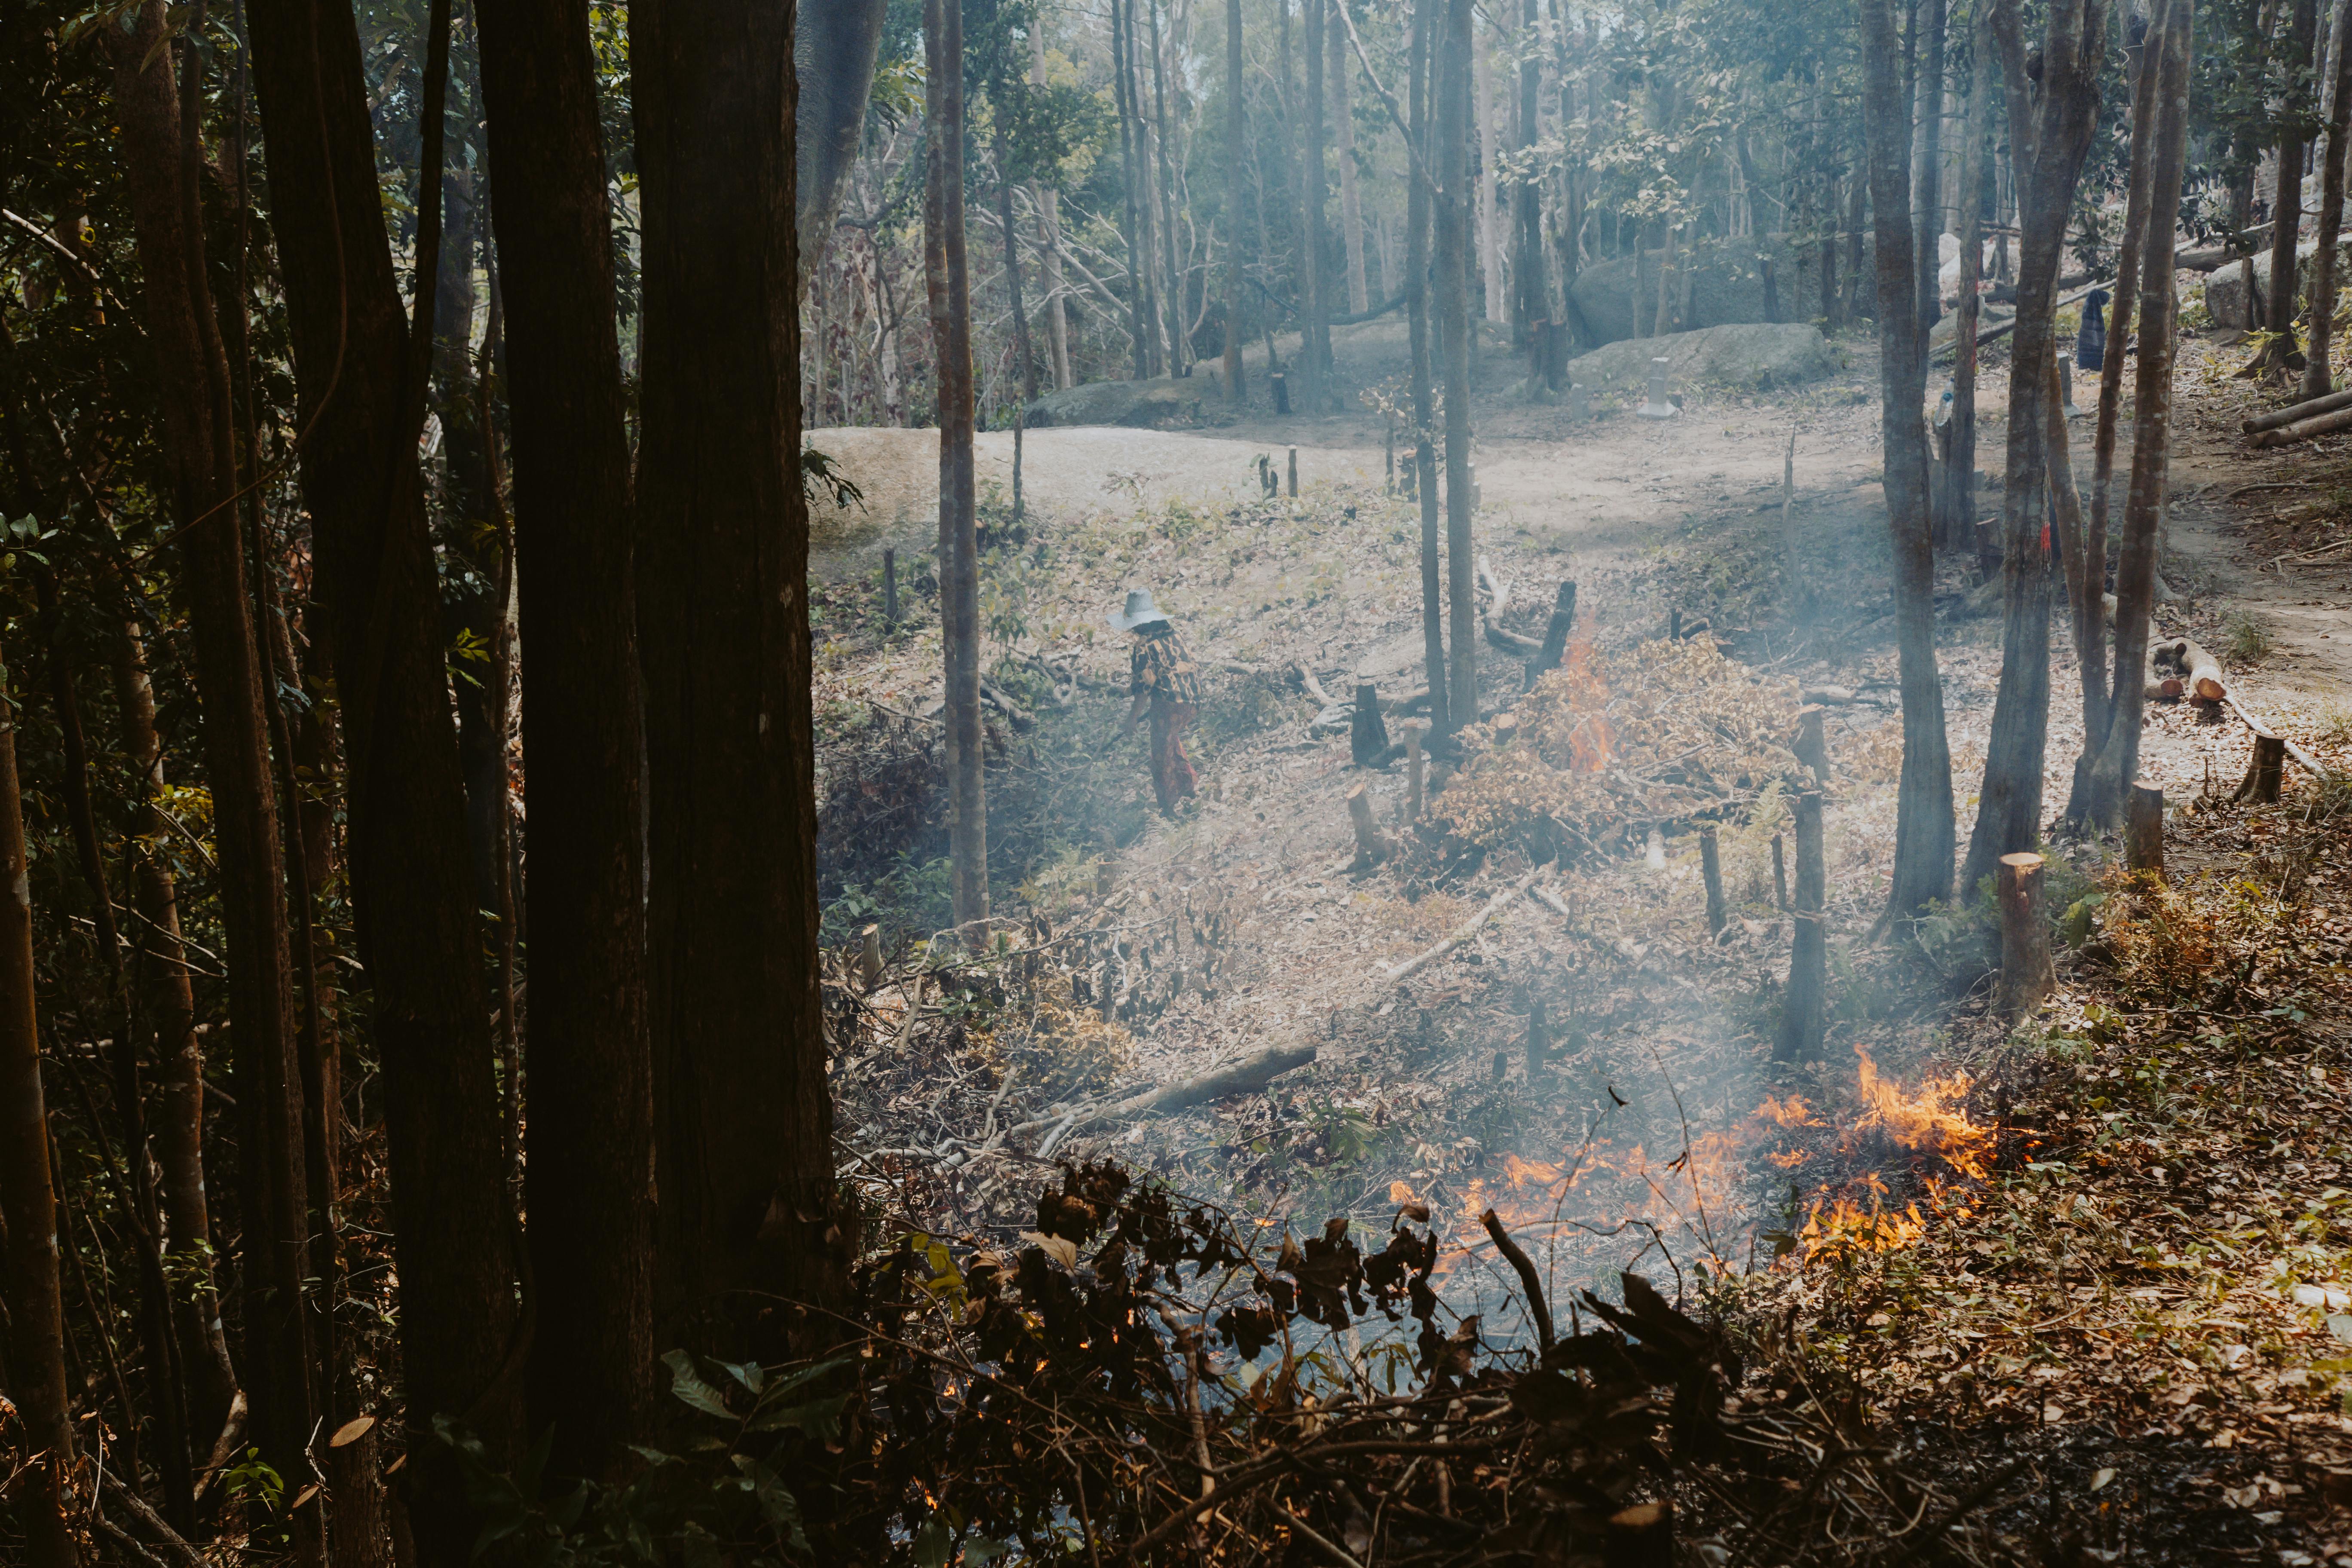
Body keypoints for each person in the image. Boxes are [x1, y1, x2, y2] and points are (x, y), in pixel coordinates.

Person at [1109, 588, 1201, 815]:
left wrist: (1131, 719)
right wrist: (1128, 690)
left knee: (1161, 758)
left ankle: (1169, 808)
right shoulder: (1173, 634)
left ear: (1138, 624)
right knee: (1171, 742)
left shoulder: (1144, 645)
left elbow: (1145, 687)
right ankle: (1189, 788)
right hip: (1193, 700)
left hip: (1170, 704)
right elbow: (1165, 670)